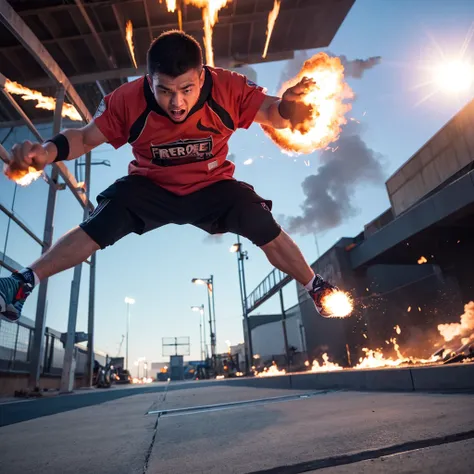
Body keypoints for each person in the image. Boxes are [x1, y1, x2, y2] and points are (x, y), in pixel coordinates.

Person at [0, 30, 338, 323]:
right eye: (165, 91)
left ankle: (316, 287)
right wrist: (46, 152)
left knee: (258, 218)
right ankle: (24, 282)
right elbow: (86, 137)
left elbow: (270, 112)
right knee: (101, 221)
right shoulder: (127, 100)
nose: (176, 103)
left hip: (212, 185)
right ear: (150, 81)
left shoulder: (227, 87)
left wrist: (289, 108)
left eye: (187, 89)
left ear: (202, 77)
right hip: (151, 186)